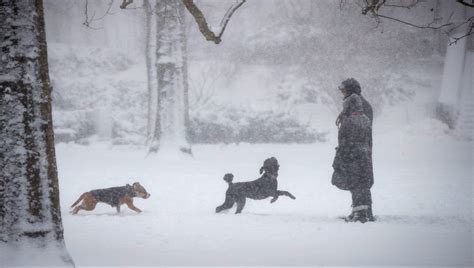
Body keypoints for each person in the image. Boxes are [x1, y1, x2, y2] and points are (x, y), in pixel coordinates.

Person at [332, 78, 375, 223]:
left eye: (343, 90)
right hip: (357, 151)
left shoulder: (359, 106)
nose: (341, 93)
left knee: (359, 181)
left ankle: (361, 214)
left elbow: (358, 131)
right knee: (358, 181)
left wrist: (348, 149)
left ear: (351, 90)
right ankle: (362, 211)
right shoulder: (355, 104)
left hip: (356, 152)